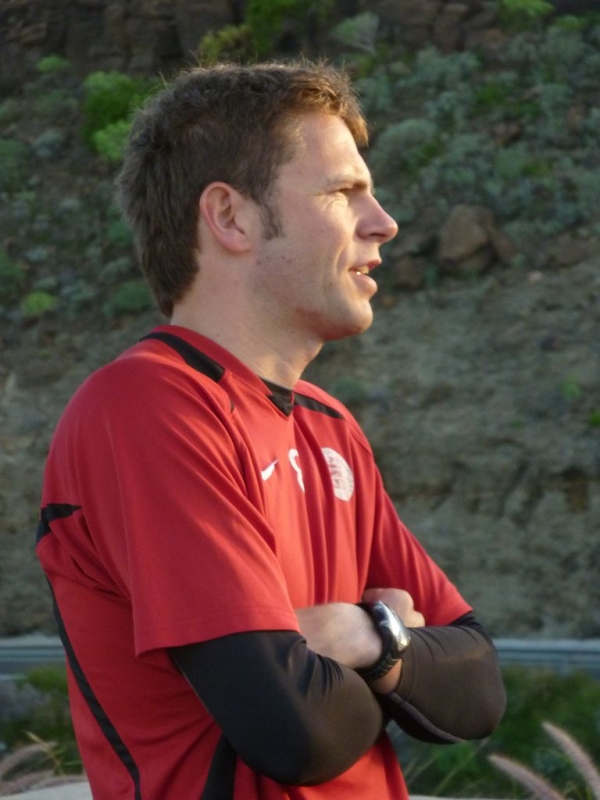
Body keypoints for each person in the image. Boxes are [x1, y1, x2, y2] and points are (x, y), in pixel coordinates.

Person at [36, 61, 506, 800]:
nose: (383, 221)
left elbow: (477, 688)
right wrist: (397, 648)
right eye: (342, 192)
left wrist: (361, 636)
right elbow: (300, 731)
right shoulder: (147, 407)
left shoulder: (329, 424)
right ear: (231, 218)